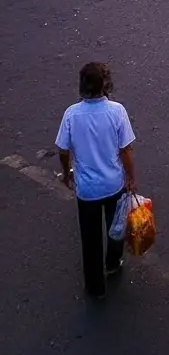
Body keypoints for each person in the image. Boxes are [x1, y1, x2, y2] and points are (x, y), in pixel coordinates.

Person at [55, 62, 137, 300]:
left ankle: (95, 287)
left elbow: (62, 149)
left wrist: (67, 173)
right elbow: (125, 150)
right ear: (105, 85)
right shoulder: (117, 111)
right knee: (116, 227)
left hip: (87, 190)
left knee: (90, 240)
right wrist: (131, 177)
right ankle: (113, 262)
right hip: (114, 183)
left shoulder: (72, 114)